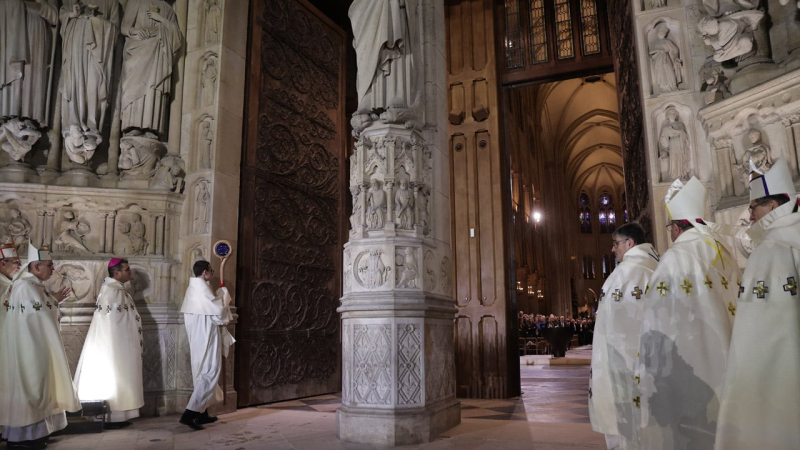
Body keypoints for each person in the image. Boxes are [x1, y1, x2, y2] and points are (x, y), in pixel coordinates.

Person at [636, 178, 741, 450]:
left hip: (691, 361)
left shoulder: (675, 258)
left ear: (676, 227)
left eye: (670, 226)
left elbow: (656, 320)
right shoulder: (723, 250)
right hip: (731, 355)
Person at [715, 159, 800, 449]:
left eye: (753, 207)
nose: (749, 216)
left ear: (772, 207)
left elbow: (758, 336)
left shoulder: (772, 248)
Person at [0, 243, 77, 450]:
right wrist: (54, 302)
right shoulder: (25, 287)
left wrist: (53, 301)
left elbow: (41, 311)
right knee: (31, 388)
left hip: (36, 346)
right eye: (49, 265)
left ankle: (36, 433)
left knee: (40, 388)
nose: (53, 269)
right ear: (35, 268)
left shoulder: (33, 286)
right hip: (28, 348)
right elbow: (37, 316)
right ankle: (23, 437)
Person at [589, 223, 659, 450]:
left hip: (622, 365)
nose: (612, 249)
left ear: (630, 243)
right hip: (654, 364)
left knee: (624, 425)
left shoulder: (621, 276)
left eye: (616, 243)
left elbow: (610, 326)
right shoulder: (659, 267)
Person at [73, 258, 143, 427]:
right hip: (114, 346)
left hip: (121, 344)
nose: (130, 272)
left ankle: (120, 416)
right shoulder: (112, 291)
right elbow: (112, 323)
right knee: (115, 376)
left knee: (121, 377)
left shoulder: (117, 289)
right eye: (127, 270)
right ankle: (112, 417)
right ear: (117, 273)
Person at [180, 260, 234, 430]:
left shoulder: (196, 288)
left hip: (201, 335)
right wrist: (224, 295)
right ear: (204, 272)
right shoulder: (201, 289)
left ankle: (202, 414)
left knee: (202, 373)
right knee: (209, 371)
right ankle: (190, 414)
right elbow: (217, 311)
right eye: (211, 270)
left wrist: (218, 295)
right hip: (205, 336)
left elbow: (211, 309)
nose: (212, 273)